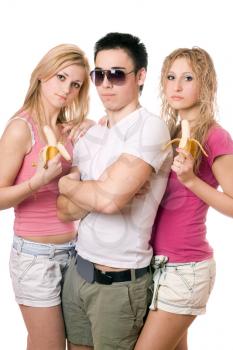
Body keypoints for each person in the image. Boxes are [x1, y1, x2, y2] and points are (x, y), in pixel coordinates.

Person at [56, 32, 172, 350]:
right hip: (78, 274)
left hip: (120, 285)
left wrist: (70, 184)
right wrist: (97, 191)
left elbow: (108, 201)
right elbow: (63, 209)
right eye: (99, 74)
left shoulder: (150, 128)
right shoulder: (91, 134)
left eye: (117, 74)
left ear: (140, 76)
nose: (106, 84)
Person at [135, 47, 233, 350]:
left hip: (185, 268)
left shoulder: (215, 136)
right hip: (157, 264)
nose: (176, 86)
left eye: (188, 78)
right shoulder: (169, 131)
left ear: (206, 84)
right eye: (171, 77)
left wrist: (191, 179)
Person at [0, 43, 90, 350]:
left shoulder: (68, 131)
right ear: (42, 76)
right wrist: (37, 181)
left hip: (76, 252)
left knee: (81, 343)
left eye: (75, 84)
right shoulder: (21, 129)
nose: (67, 89)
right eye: (61, 77)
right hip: (35, 258)